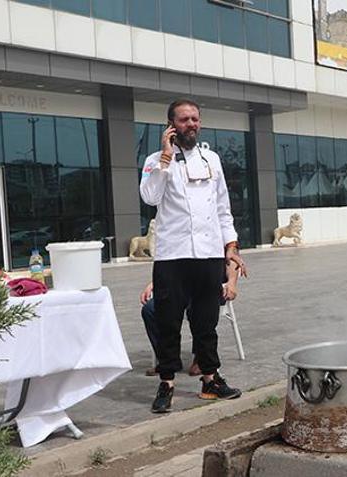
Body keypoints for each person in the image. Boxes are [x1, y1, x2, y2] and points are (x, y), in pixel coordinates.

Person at [140, 98, 246, 413]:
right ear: (171, 126)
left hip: (209, 254)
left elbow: (223, 208)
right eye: (185, 120)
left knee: (206, 322)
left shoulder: (211, 158)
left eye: (195, 119)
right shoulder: (156, 160)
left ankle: (211, 380)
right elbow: (149, 196)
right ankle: (167, 382)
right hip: (172, 255)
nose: (192, 125)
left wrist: (231, 246)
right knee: (168, 321)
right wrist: (165, 160)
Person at [140, 259, 240, 377]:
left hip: (209, 288)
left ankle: (201, 358)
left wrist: (232, 282)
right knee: (150, 310)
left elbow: (233, 259)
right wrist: (154, 283)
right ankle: (167, 359)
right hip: (181, 287)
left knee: (197, 308)